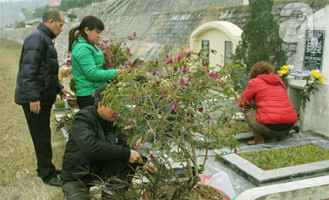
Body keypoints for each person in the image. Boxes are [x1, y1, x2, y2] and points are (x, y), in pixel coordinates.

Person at [60, 85, 154, 199]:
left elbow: (124, 145)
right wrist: (126, 153)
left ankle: (110, 194)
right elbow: (91, 147)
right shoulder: (83, 119)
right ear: (100, 105)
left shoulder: (115, 121)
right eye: (114, 107)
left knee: (129, 161)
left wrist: (144, 162)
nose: (117, 111)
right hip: (77, 175)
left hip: (101, 168)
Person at [14, 8, 69, 187]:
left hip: (41, 96)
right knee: (41, 136)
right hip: (35, 98)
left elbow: (45, 70)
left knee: (43, 134)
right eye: (60, 25)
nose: (61, 29)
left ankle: (47, 168)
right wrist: (33, 97)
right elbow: (28, 70)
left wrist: (58, 87)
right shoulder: (37, 38)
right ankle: (46, 174)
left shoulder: (44, 38)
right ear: (50, 21)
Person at [237, 61, 298, 145]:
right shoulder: (279, 81)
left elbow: (242, 103)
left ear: (254, 73)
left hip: (269, 128)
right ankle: (281, 137)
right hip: (289, 126)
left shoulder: (254, 82)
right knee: (282, 109)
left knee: (248, 109)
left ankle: (258, 139)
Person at [68, 15, 118, 109]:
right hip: (90, 96)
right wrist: (116, 73)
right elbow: (92, 73)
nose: (99, 36)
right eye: (97, 32)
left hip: (95, 93)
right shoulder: (82, 48)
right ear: (87, 30)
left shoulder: (88, 45)